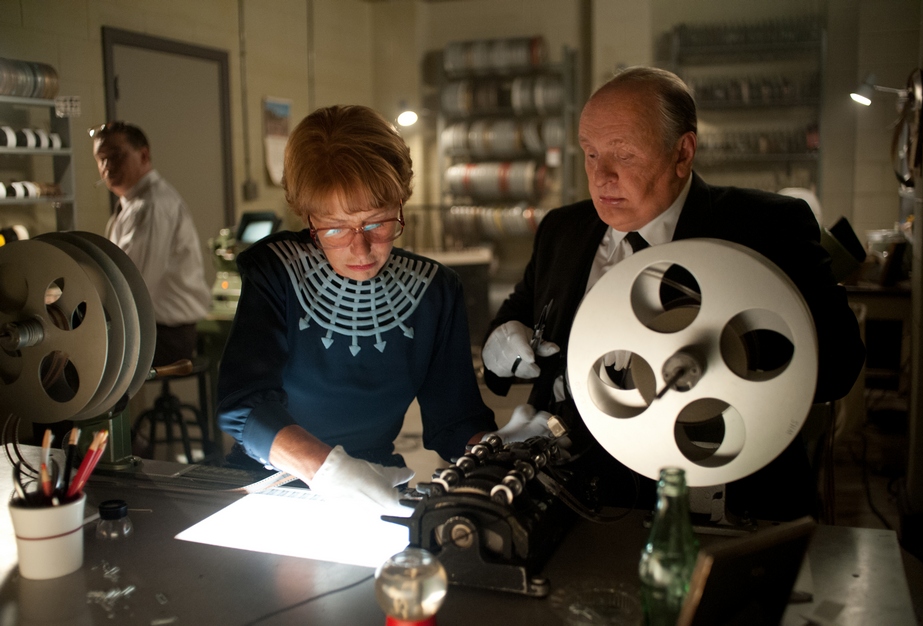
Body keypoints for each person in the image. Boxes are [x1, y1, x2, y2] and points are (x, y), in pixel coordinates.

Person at [482, 67, 866, 521]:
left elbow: (839, 364)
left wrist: (724, 361)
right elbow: (517, 321)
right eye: (589, 154)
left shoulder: (766, 228)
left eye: (623, 156)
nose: (602, 176)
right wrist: (499, 349)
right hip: (577, 496)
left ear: (682, 152)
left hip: (712, 491)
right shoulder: (563, 231)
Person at [216, 105, 543, 512]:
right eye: (334, 228)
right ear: (307, 216)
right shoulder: (276, 272)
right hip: (270, 480)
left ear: (401, 203)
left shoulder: (433, 291)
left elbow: (454, 423)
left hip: (374, 482)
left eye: (377, 223)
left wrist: (493, 449)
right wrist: (325, 470)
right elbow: (242, 407)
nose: (361, 248)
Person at [93, 121, 210, 367]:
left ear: (144, 155)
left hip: (166, 336)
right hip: (149, 329)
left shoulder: (152, 206)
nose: (106, 167)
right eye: (100, 159)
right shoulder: (133, 203)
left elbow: (132, 285)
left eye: (115, 156)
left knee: (78, 360)